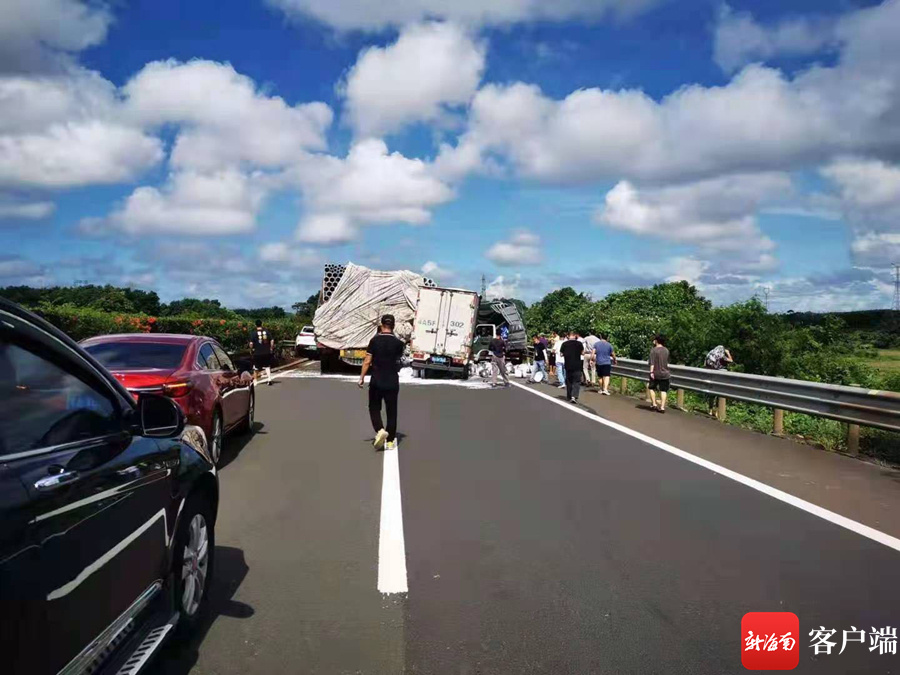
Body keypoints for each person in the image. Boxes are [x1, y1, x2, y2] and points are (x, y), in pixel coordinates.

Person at [359, 315, 405, 450]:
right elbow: (399, 361)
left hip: (376, 381)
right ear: (393, 326)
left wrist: (361, 377)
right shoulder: (399, 344)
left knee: (374, 407)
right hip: (392, 381)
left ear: (381, 325)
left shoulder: (374, 341)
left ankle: (380, 430)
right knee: (392, 411)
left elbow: (367, 361)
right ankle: (390, 441)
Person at [703, 345, 734, 414]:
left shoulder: (710, 354)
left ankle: (710, 410)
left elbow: (705, 364)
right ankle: (717, 411)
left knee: (712, 393)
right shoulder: (721, 356)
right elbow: (731, 360)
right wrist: (728, 353)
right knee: (720, 393)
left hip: (711, 374)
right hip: (720, 375)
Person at [560, 331, 585, 403]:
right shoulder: (579, 344)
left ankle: (569, 396)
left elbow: (561, 354)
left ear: (568, 336)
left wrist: (566, 354)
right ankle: (574, 396)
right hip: (577, 365)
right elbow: (582, 353)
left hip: (568, 365)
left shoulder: (564, 344)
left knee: (569, 381)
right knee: (577, 381)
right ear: (575, 336)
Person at [648, 334, 670, 413]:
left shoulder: (653, 350)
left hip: (656, 373)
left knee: (651, 388)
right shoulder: (666, 350)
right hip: (665, 373)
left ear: (656, 341)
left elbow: (652, 363)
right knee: (663, 390)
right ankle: (662, 407)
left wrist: (651, 372)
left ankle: (654, 404)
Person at [249, 319, 275, 385]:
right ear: (262, 324)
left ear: (255, 325)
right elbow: (272, 341)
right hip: (266, 352)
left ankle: (255, 381)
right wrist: (271, 348)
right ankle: (269, 379)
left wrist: (251, 349)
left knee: (256, 367)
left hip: (257, 352)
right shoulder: (266, 332)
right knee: (267, 366)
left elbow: (251, 343)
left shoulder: (253, 333)